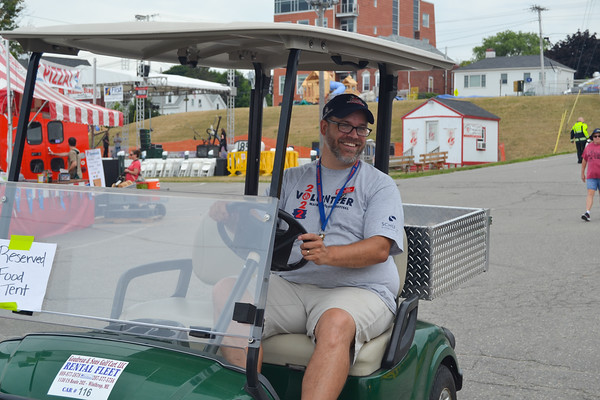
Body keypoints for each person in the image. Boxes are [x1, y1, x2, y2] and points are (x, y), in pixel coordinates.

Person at [264, 94, 404, 399]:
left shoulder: (379, 185)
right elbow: (263, 228)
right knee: (232, 298)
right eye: (344, 126)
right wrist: (231, 216)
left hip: (359, 290)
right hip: (293, 284)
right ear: (325, 127)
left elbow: (380, 248)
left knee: (335, 323)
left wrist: (328, 255)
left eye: (361, 129)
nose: (354, 136)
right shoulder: (290, 179)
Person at [580, 128, 600, 221]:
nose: (597, 138)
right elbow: (584, 159)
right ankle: (587, 213)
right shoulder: (588, 147)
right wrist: (582, 172)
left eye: (599, 136)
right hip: (591, 176)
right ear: (592, 137)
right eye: (595, 136)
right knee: (590, 194)